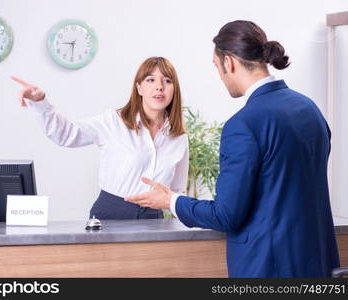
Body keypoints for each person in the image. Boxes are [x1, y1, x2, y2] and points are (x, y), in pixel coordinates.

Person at [126, 21, 340, 277]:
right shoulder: (310, 110)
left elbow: (226, 215)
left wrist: (171, 200)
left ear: (229, 63)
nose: (219, 76)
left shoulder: (243, 125)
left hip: (267, 270)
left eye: (216, 67)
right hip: (319, 266)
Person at [12, 56, 189, 220]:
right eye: (151, 80)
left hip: (153, 219)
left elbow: (176, 191)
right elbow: (65, 135)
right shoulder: (113, 121)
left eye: (167, 81)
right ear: (139, 88)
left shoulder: (178, 137)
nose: (159, 86)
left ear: (174, 89)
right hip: (111, 215)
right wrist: (40, 102)